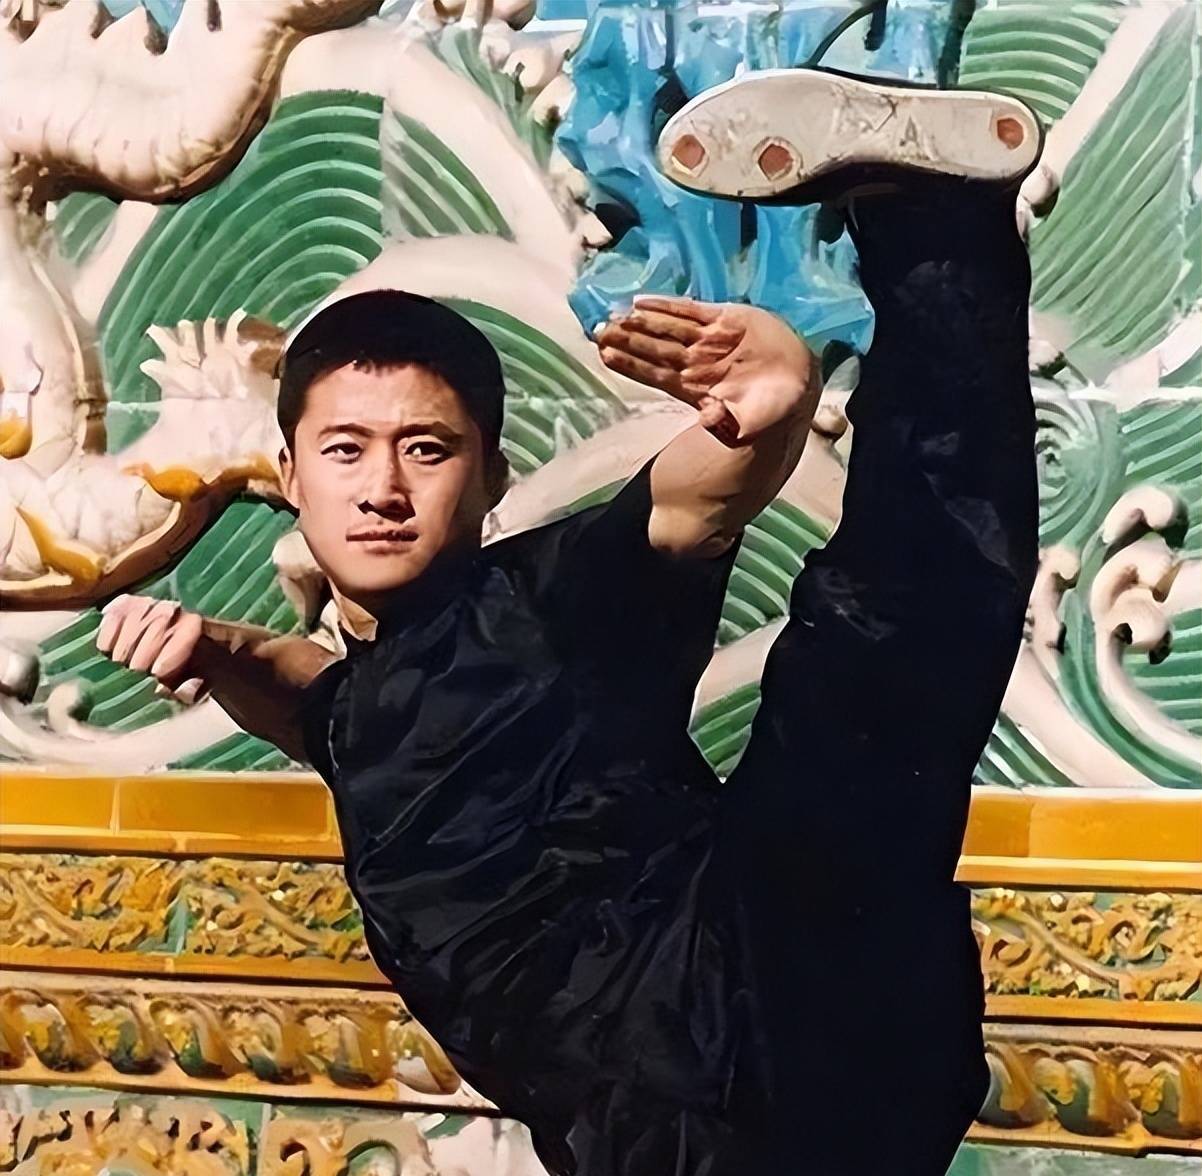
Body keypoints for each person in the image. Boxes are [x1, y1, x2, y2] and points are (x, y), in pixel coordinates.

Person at [97, 94, 1038, 1176]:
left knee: (877, 648)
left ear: (491, 475)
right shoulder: (360, 708)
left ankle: (930, 222)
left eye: (427, 449)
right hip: (647, 1130)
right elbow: (314, 701)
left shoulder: (552, 595)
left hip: (750, 991)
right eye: (346, 451)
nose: (383, 489)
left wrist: (779, 389)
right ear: (290, 477)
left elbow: (698, 495)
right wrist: (214, 648)